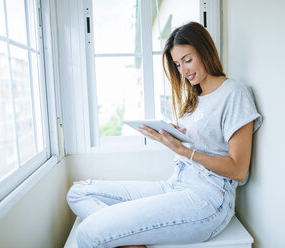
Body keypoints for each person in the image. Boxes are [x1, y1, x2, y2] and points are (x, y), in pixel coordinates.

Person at [66, 22, 262, 248]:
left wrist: (184, 150)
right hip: (175, 185)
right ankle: (127, 238)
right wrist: (175, 138)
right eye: (178, 64)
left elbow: (238, 170)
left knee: (89, 232)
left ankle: (117, 231)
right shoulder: (194, 99)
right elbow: (201, 142)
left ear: (206, 51)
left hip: (207, 199)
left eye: (187, 60)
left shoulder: (234, 93)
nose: (183, 71)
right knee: (79, 192)